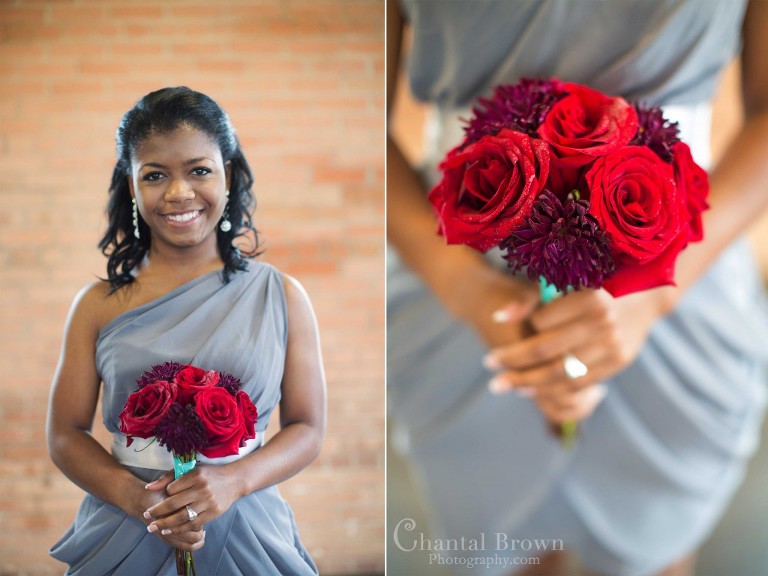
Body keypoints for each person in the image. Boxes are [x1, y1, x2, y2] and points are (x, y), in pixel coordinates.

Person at [387, 1, 768, 575]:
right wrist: (460, 284)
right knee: (507, 547)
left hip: (681, 262)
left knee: (656, 546)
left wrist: (657, 294)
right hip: (451, 263)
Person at [46, 87, 325, 575]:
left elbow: (308, 427)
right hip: (126, 527)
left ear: (228, 175)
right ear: (132, 186)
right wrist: (137, 499)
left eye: (199, 170)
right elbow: (65, 434)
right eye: (155, 175)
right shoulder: (96, 306)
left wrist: (235, 481)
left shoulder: (281, 295)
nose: (179, 193)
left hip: (246, 527)